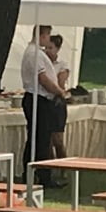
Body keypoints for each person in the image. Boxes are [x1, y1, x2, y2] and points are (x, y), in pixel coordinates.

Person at [20, 23, 64, 188]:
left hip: (41, 98)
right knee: (40, 139)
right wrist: (59, 91)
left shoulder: (36, 52)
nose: (48, 40)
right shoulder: (34, 54)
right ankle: (41, 175)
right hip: (38, 98)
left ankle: (39, 174)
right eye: (47, 36)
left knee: (40, 138)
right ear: (42, 36)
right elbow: (43, 79)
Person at [45, 32, 72, 160]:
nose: (47, 51)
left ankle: (64, 166)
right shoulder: (41, 62)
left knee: (58, 140)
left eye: (50, 48)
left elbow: (60, 83)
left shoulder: (62, 64)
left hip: (57, 103)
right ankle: (50, 166)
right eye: (46, 47)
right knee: (47, 140)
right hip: (45, 101)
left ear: (57, 49)